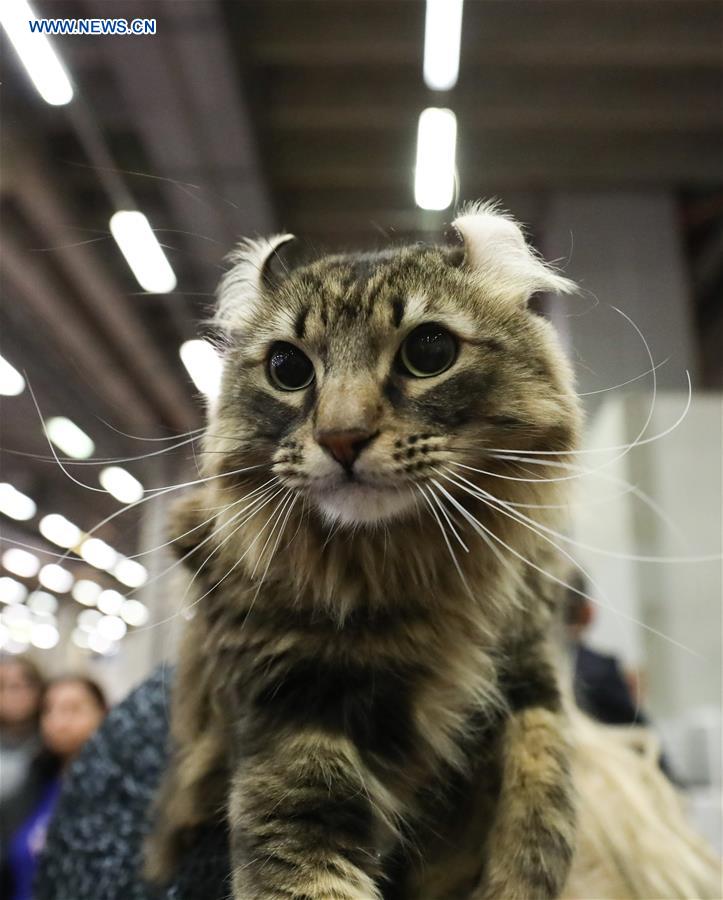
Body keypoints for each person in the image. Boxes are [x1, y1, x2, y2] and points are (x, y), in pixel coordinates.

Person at [4, 675, 107, 900]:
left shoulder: (116, 795)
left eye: (73, 709)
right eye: (48, 710)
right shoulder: (33, 788)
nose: (58, 721)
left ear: (103, 713)